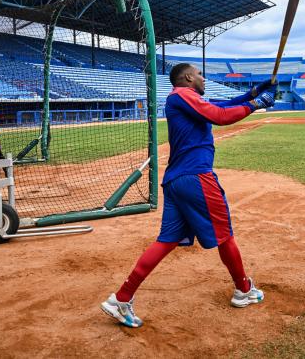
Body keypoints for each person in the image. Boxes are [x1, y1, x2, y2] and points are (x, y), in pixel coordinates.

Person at [101, 63, 276, 328]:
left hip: (177, 180)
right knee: (224, 234)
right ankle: (244, 290)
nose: (204, 78)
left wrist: (255, 92)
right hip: (196, 177)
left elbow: (226, 103)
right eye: (200, 74)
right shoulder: (181, 95)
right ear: (188, 77)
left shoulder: (188, 99)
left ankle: (121, 298)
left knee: (167, 240)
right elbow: (220, 115)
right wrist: (257, 104)